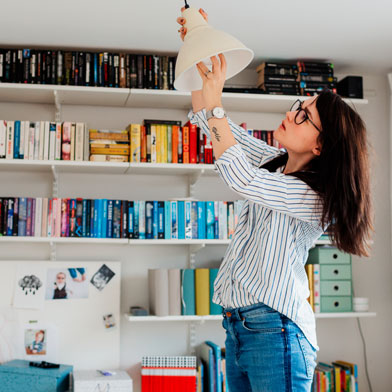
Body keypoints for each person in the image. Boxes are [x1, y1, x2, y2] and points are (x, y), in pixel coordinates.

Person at [177, 8, 373, 392]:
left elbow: (239, 176)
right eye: (299, 106)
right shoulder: (271, 162)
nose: (292, 112)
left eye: (304, 116)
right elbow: (207, 119)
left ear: (321, 145)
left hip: (276, 330)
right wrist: (196, 45)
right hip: (238, 328)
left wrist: (217, 100)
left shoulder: (314, 196)